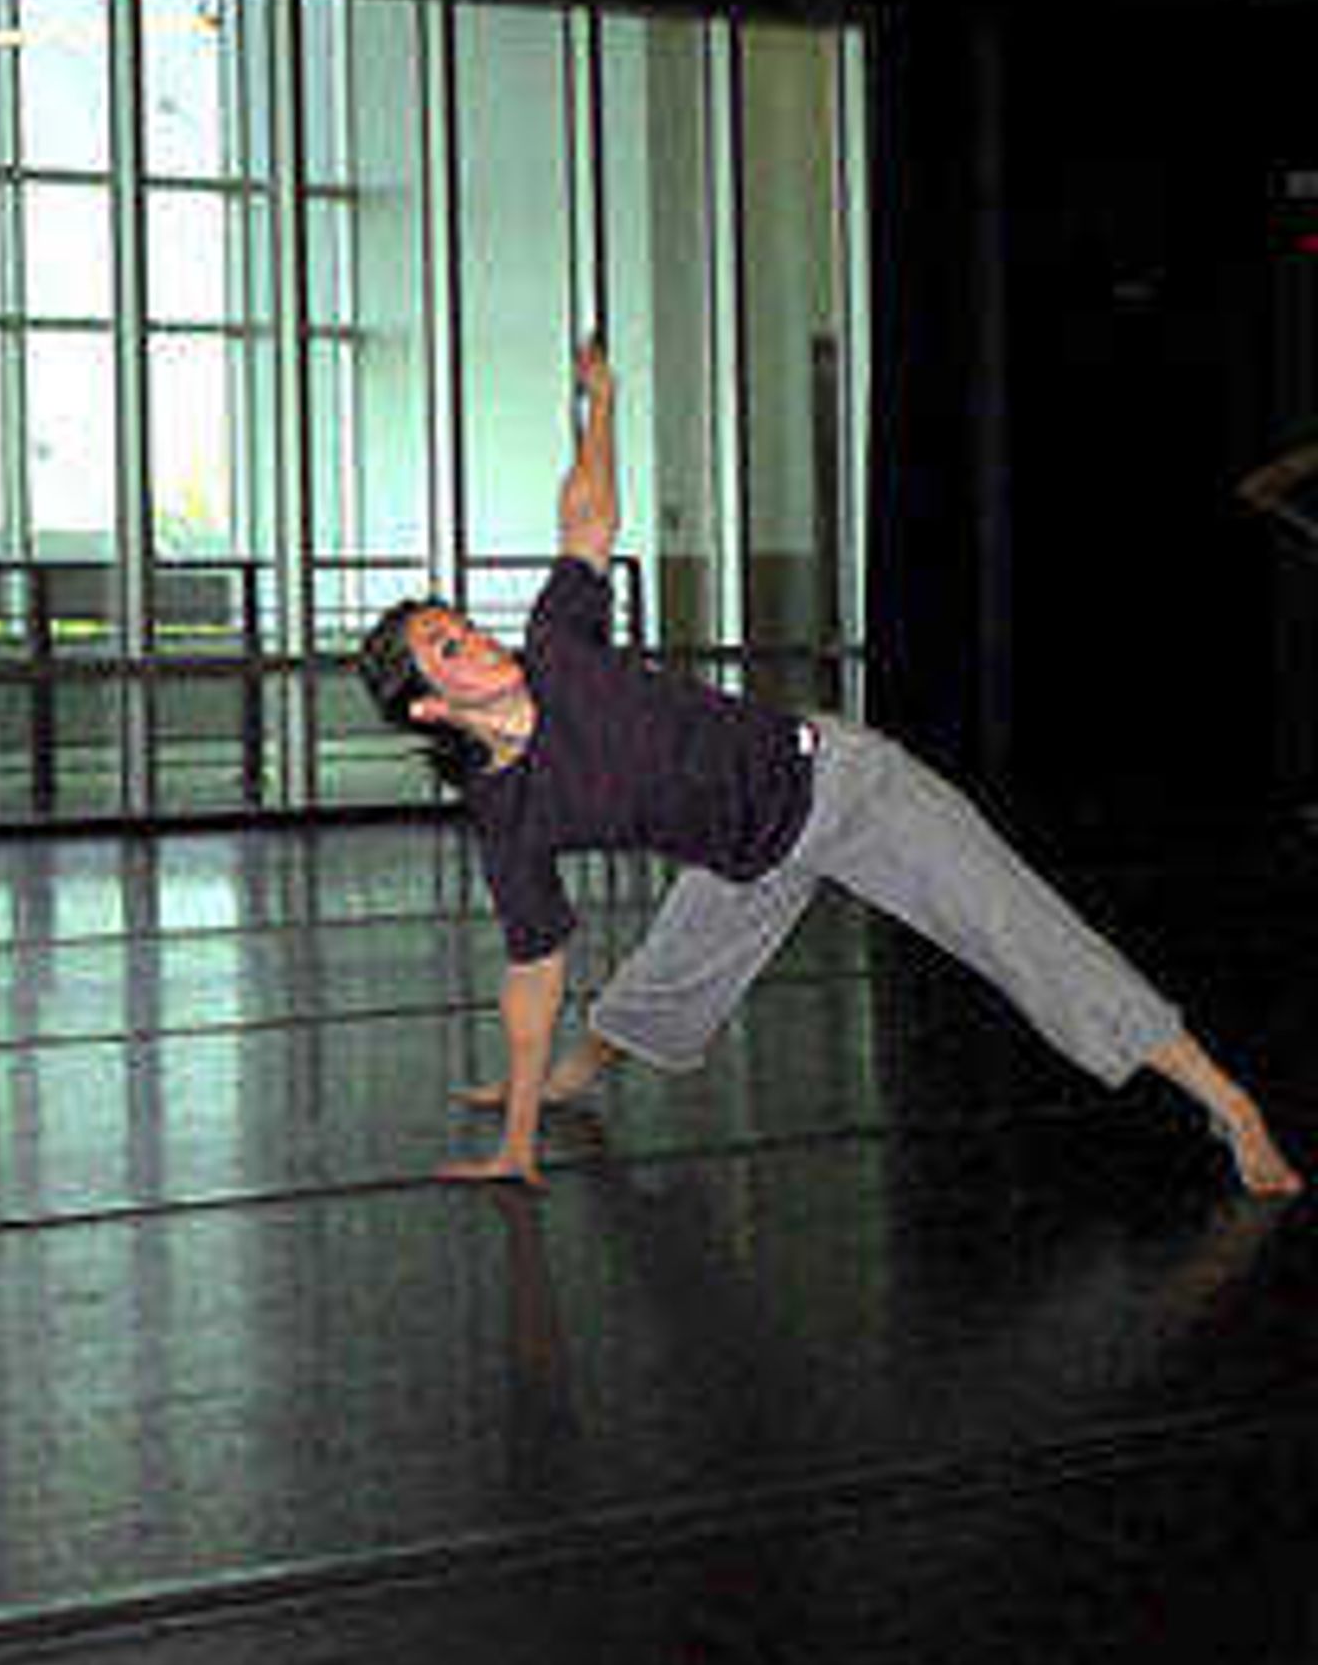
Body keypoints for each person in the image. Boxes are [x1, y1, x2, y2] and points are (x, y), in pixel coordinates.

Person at [353, 341, 1301, 1198]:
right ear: (433, 708)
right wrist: (518, 1139)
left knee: (1017, 930)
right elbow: (533, 972)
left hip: (845, 790)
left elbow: (588, 513)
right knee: (665, 975)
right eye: (448, 648)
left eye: (461, 624)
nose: (474, 638)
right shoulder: (509, 810)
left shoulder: (560, 647)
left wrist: (600, 401)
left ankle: (1231, 1104)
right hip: (744, 857)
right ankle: (569, 1080)